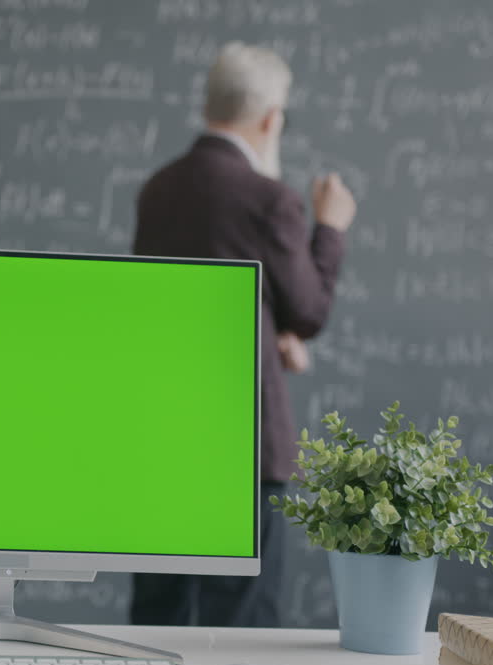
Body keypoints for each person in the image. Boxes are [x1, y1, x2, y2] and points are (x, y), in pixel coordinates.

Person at [130, 42, 356, 627]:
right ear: (270, 119)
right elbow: (308, 309)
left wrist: (268, 328)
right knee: (244, 625)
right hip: (244, 445)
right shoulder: (268, 199)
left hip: (167, 437)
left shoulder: (158, 190)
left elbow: (178, 304)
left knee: (160, 614)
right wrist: (329, 229)